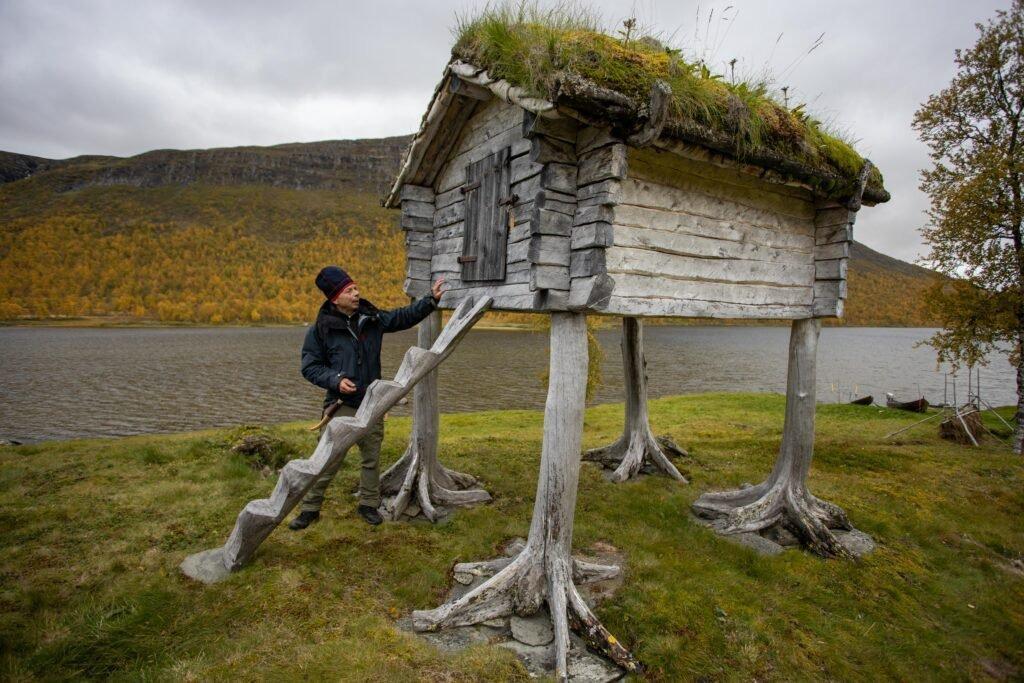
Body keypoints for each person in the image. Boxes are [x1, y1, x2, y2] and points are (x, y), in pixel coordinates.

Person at [289, 265, 444, 529]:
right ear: (334, 298)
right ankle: (310, 509)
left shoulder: (371, 319)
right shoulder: (320, 330)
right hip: (340, 406)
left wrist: (430, 301)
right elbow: (310, 367)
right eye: (349, 290)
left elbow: (401, 317)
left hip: (373, 403)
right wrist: (336, 380)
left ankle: (368, 505)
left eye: (356, 288)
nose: (356, 293)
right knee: (327, 460)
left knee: (371, 458)